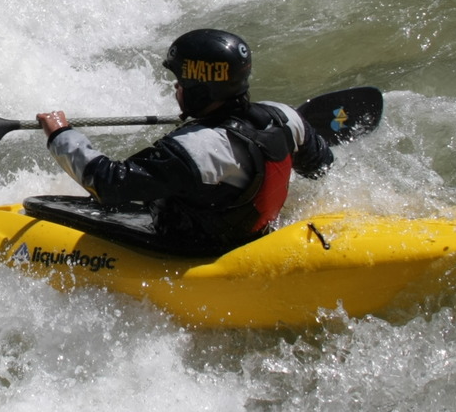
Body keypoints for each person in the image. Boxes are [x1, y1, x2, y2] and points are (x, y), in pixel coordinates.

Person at [34, 28, 333, 254]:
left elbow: (108, 183)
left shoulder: (199, 149)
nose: (176, 86)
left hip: (195, 249)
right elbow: (320, 167)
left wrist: (61, 135)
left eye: (181, 80)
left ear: (201, 87)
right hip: (253, 232)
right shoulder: (284, 117)